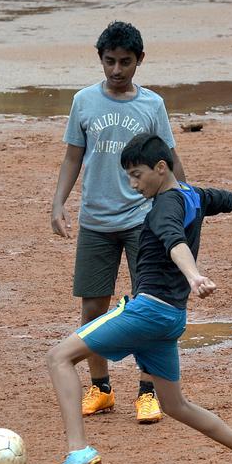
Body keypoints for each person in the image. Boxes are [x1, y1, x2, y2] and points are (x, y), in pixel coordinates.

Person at [44, 134, 232, 464]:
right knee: (175, 404)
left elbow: (174, 241)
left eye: (136, 174)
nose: (133, 184)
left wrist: (194, 276)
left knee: (58, 358)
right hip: (171, 318)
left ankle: (78, 450)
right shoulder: (195, 195)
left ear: (160, 169)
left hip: (148, 311)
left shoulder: (164, 206)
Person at [51, 21, 186, 425]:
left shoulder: (152, 106)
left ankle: (148, 392)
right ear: (100, 60)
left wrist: (186, 201)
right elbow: (73, 156)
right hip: (95, 219)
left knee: (146, 307)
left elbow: (170, 160)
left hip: (142, 221)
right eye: (109, 61)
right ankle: (101, 388)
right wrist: (59, 202)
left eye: (125, 62)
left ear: (139, 61)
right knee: (93, 306)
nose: (116, 70)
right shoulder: (83, 102)